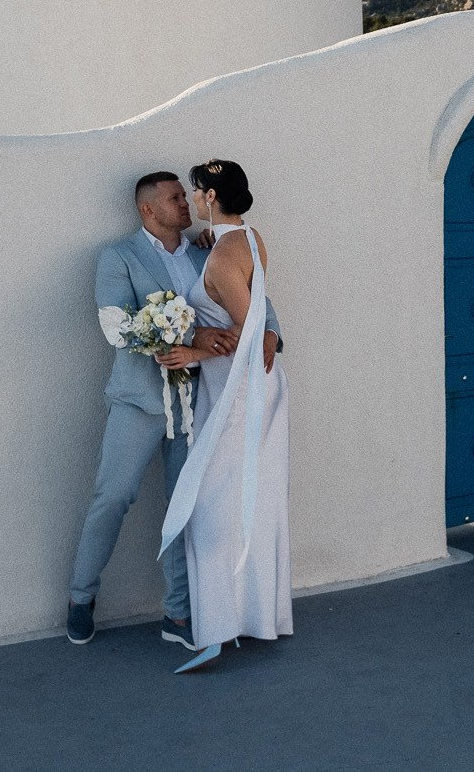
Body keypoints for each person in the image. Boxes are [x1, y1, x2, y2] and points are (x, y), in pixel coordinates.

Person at [66, 171, 280, 651]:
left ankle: (178, 613)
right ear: (148, 209)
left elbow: (253, 295)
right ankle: (81, 595)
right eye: (174, 198)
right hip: (139, 403)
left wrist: (271, 331)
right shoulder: (119, 256)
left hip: (200, 401)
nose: (185, 203)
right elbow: (118, 327)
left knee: (186, 508)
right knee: (112, 497)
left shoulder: (208, 249)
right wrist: (192, 335)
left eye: (186, 195)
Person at [157, 159, 291, 673]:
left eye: (195, 191)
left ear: (210, 196)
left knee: (210, 508)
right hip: (248, 387)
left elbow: (250, 332)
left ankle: (213, 631)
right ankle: (256, 616)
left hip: (241, 393)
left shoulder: (219, 259)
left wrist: (193, 353)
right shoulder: (249, 238)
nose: (191, 199)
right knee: (248, 500)